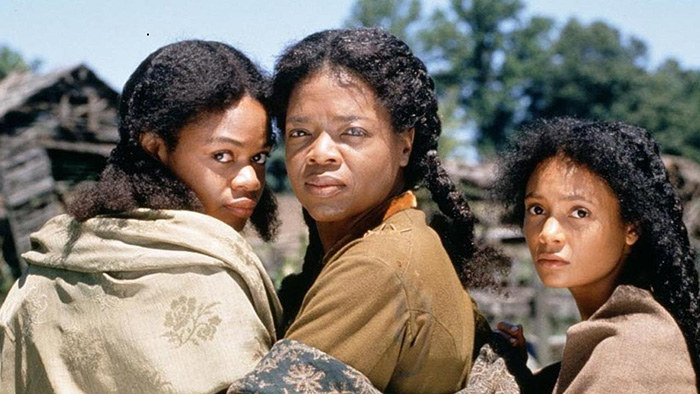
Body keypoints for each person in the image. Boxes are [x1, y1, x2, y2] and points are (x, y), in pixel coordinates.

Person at [0, 40, 282, 393]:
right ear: (156, 148)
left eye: (258, 157)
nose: (250, 180)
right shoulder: (205, 276)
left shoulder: (48, 265)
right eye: (223, 156)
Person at [266, 27, 508, 393]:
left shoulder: (377, 266)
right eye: (300, 133)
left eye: (352, 133)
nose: (319, 153)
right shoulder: (393, 242)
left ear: (405, 145)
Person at [493, 117, 699, 393]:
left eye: (580, 212)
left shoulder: (631, 357)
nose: (548, 233)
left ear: (631, 229)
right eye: (537, 209)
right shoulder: (620, 338)